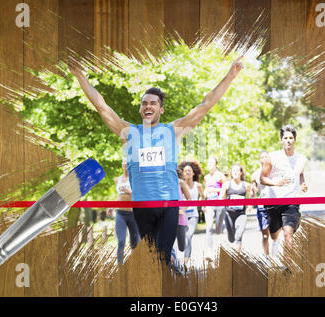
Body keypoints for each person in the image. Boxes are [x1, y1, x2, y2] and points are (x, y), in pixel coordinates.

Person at [69, 55, 244, 264]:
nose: (148, 106)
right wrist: (80, 76)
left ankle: (170, 267)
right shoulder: (129, 133)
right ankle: (170, 268)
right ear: (140, 109)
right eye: (144, 103)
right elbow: (103, 108)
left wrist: (230, 76)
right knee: (153, 259)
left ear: (160, 109)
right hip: (142, 206)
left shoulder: (173, 131)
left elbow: (205, 105)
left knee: (161, 255)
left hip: (168, 204)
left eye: (153, 103)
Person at [260, 125, 308, 262]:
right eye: (285, 138)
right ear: (281, 140)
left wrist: (303, 183)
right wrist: (276, 183)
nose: (288, 141)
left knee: (288, 232)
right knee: (274, 234)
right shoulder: (272, 157)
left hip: (291, 202)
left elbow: (301, 174)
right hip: (273, 201)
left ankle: (288, 264)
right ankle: (275, 244)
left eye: (291, 138)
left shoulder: (301, 159)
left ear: (295, 140)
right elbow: (262, 178)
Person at [112, 159, 141, 264]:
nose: (125, 164)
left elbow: (140, 195)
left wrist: (130, 192)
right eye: (123, 162)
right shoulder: (117, 179)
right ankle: (120, 265)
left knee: (135, 243)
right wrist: (111, 206)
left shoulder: (136, 179)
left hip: (133, 214)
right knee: (121, 241)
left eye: (127, 162)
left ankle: (136, 264)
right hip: (120, 213)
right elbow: (119, 196)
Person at [178, 161, 204, 266]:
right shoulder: (180, 185)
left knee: (189, 236)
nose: (187, 172)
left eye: (189, 170)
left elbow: (202, 196)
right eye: (185, 171)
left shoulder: (198, 185)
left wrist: (203, 206)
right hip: (182, 215)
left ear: (193, 173)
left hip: (193, 215)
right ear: (183, 173)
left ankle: (186, 259)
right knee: (183, 237)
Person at [220, 164, 251, 254]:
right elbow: (220, 198)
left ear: (241, 173)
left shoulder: (245, 185)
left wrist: (249, 206)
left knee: (239, 235)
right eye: (234, 171)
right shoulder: (226, 185)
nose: (236, 172)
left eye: (238, 171)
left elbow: (251, 195)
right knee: (231, 238)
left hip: (241, 214)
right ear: (231, 173)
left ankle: (236, 258)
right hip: (229, 214)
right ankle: (233, 242)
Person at [203, 156, 227, 261]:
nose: (209, 165)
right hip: (209, 204)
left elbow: (225, 188)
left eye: (212, 163)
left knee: (218, 229)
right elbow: (205, 191)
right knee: (208, 228)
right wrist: (203, 203)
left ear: (216, 164)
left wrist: (215, 190)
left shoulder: (220, 176)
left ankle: (219, 250)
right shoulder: (206, 177)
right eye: (208, 163)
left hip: (220, 204)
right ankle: (209, 251)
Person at [250, 151, 271, 258]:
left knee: (275, 232)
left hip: (274, 204)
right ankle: (267, 255)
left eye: (265, 157)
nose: (264, 158)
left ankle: (276, 253)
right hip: (262, 205)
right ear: (259, 159)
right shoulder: (255, 174)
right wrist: (252, 193)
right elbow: (252, 191)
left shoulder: (274, 171)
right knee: (265, 234)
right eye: (261, 157)